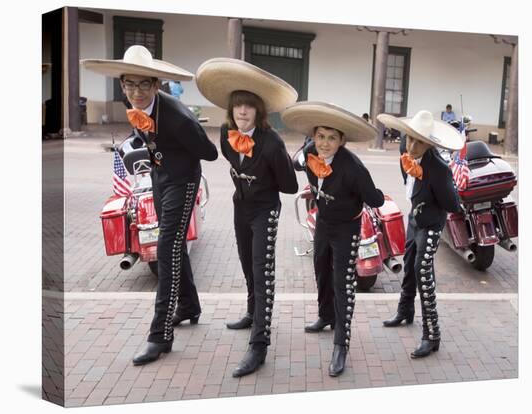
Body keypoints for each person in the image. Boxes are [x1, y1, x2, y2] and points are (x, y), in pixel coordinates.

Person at [82, 45, 218, 365]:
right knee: (174, 247)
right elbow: (147, 138)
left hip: (183, 182)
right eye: (130, 84)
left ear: (156, 85)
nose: (137, 91)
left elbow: (209, 153)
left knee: (166, 248)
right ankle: (189, 305)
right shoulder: (137, 107)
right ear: (122, 85)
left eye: (144, 84)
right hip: (159, 178)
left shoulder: (180, 118)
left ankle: (160, 336)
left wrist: (179, 146)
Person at [196, 58, 299, 377]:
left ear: (258, 111)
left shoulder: (272, 143)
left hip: (266, 209)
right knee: (246, 264)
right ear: (231, 110)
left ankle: (259, 344)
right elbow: (230, 160)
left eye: (248, 107)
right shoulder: (226, 133)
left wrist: (270, 167)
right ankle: (253, 313)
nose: (242, 112)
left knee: (262, 271)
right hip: (241, 206)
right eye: (237, 106)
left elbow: (290, 186)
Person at [282, 102, 385, 376]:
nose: (324, 144)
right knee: (320, 270)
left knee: (343, 284)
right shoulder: (309, 152)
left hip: (347, 229)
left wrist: (374, 192)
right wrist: (303, 156)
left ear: (341, 140)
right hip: (324, 223)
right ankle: (325, 316)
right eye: (320, 136)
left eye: (331, 138)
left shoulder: (354, 168)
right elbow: (294, 163)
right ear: (313, 137)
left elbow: (374, 199)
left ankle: (341, 343)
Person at [378, 110, 463, 358]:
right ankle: (405, 312)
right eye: (409, 139)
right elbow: (411, 186)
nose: (412, 146)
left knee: (423, 272)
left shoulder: (439, 169)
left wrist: (433, 196)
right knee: (408, 263)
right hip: (415, 219)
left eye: (419, 142)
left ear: (430, 144)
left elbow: (453, 205)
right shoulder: (405, 155)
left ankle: (431, 335)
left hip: (432, 224)